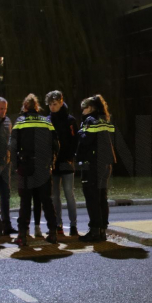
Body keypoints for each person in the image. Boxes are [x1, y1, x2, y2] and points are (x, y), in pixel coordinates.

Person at [9, 94, 59, 246]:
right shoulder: (47, 122)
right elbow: (56, 145)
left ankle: (22, 235)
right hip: (43, 167)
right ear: (37, 107)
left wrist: (16, 165)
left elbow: (12, 146)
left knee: (25, 202)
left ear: (24, 107)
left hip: (26, 167)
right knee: (46, 201)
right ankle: (52, 233)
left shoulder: (20, 122)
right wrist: (51, 161)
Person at [75, 95, 116, 242]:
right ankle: (102, 231)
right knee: (101, 198)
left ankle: (94, 231)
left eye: (84, 108)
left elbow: (85, 141)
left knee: (92, 198)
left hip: (92, 164)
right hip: (106, 163)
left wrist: (80, 132)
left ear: (90, 108)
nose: (83, 111)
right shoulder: (104, 120)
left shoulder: (90, 121)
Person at [46, 90, 79, 237]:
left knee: (68, 194)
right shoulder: (48, 120)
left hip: (66, 161)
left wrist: (70, 157)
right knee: (55, 196)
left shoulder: (70, 120)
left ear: (61, 102)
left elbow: (74, 141)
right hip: (53, 162)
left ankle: (73, 225)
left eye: (54, 104)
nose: (52, 107)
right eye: (50, 105)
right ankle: (58, 224)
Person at [0, 97, 15, 235]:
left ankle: (6, 225)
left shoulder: (7, 121)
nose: (3, 111)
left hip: (6, 164)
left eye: (5, 108)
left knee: (6, 195)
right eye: (1, 108)